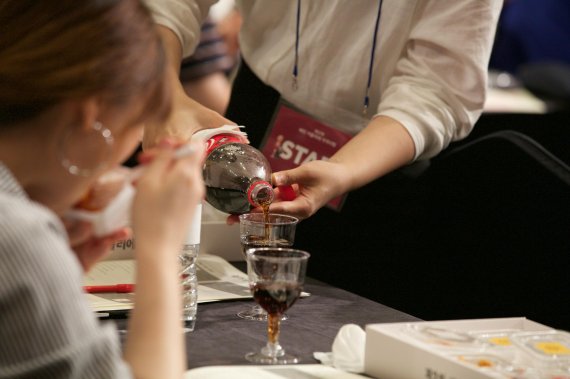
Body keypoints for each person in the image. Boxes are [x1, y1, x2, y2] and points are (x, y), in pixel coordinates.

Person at [141, 1, 502, 319]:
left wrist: (343, 170)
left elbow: (438, 88)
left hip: (379, 155)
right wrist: (164, 93)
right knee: (216, 303)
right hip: (261, 108)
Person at [0, 1, 204, 378]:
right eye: (135, 127)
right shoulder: (18, 236)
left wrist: (56, 281)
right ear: (93, 114)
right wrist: (159, 250)